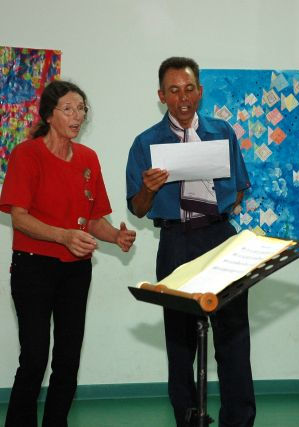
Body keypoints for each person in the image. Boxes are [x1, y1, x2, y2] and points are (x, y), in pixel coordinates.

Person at [125, 57, 253, 427]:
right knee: (181, 344)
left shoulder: (221, 131)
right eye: (174, 90)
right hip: (175, 241)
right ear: (161, 95)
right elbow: (137, 208)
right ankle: (188, 418)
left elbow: (239, 187)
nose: (183, 97)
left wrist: (214, 215)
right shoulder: (146, 142)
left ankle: (238, 421)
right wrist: (149, 190)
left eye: (189, 89)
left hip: (220, 238)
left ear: (200, 91)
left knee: (233, 338)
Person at [0, 80, 136, 427]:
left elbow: (92, 220)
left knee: (68, 360)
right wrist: (63, 236)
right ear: (49, 115)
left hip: (76, 270)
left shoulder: (88, 159)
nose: (77, 116)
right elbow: (19, 217)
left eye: (81, 109)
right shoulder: (27, 154)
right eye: (68, 109)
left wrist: (116, 237)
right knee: (34, 358)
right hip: (33, 268)